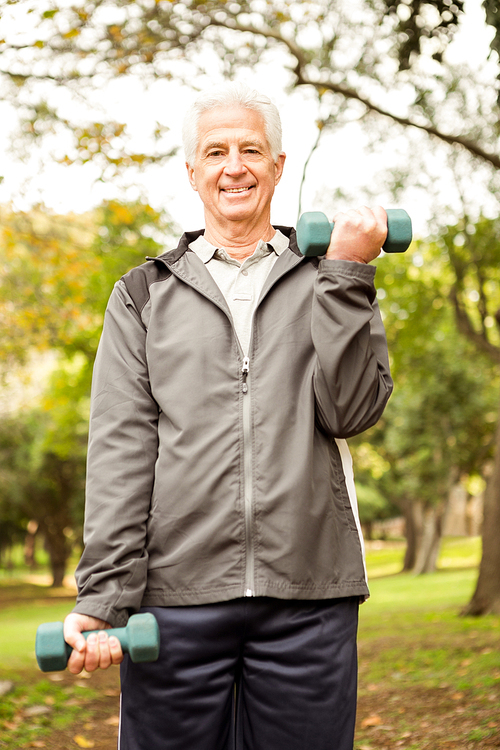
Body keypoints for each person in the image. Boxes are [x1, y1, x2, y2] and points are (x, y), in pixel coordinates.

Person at [64, 82, 393, 750]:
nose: (233, 166)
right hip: (176, 602)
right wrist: (103, 598)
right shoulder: (143, 293)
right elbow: (122, 451)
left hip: (309, 599)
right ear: (193, 172)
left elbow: (352, 410)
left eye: (251, 150)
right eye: (215, 152)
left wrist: (350, 278)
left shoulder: (328, 277)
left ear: (277, 165)